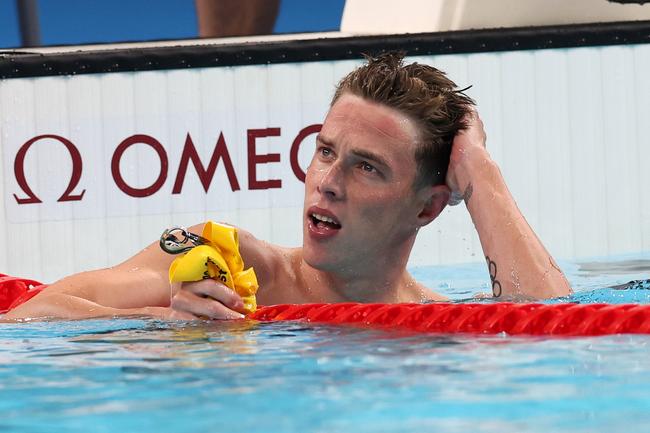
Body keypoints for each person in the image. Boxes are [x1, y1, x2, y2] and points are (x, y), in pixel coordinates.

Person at [3, 52, 572, 321]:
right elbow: (28, 319)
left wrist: (480, 174)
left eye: (365, 167)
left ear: (427, 208)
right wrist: (155, 325)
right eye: (326, 152)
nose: (327, 183)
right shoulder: (225, 261)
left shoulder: (434, 320)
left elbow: (561, 331)